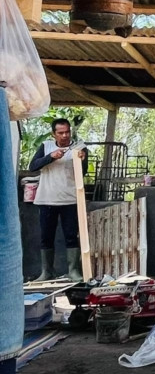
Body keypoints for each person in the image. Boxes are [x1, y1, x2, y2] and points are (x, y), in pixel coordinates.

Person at [29, 118, 88, 282]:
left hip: (70, 199)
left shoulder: (79, 148)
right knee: (46, 236)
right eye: (61, 132)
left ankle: (73, 271)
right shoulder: (46, 146)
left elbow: (82, 173)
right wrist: (51, 157)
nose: (64, 135)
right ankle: (47, 272)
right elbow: (33, 166)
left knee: (71, 235)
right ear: (53, 134)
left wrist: (81, 160)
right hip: (46, 199)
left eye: (67, 132)